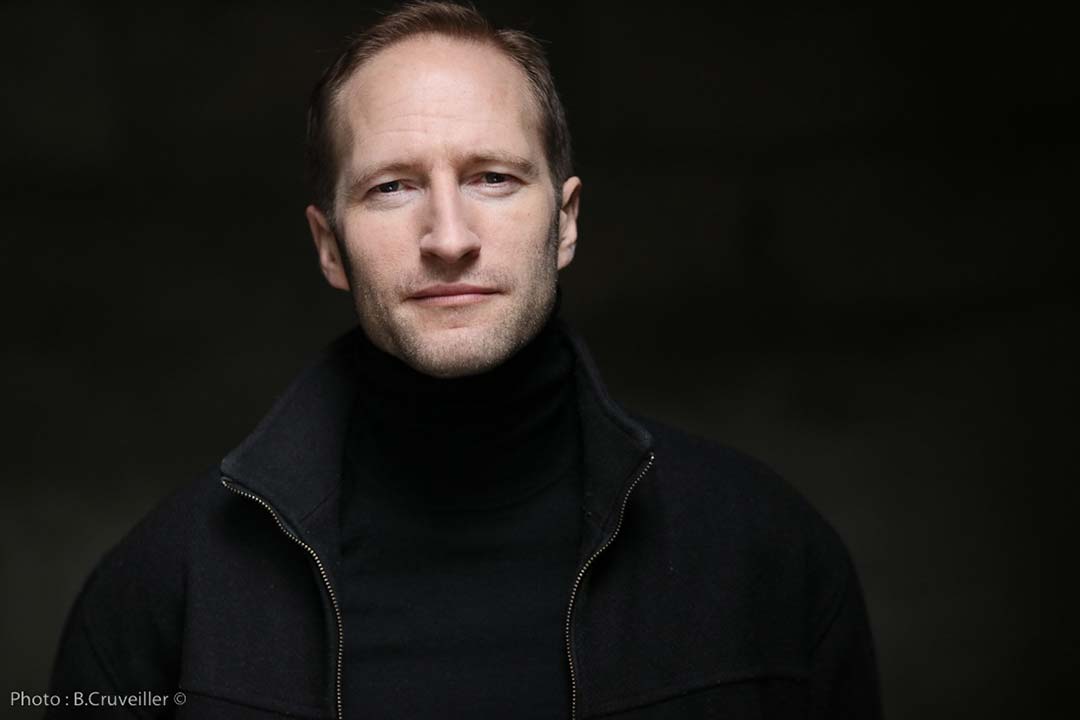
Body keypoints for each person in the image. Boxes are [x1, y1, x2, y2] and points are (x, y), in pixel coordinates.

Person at [48, 2, 881, 718]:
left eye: (492, 177)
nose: (449, 238)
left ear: (565, 221)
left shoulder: (765, 554)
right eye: (392, 187)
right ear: (329, 245)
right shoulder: (163, 589)